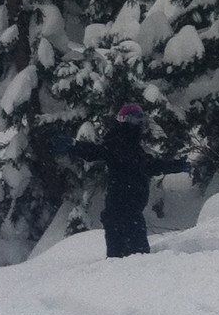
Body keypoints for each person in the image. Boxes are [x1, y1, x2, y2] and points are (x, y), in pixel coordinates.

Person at [57, 104, 190, 258]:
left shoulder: (134, 147)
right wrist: (74, 146)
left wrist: (176, 165)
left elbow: (150, 165)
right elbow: (94, 151)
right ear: (124, 121)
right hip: (121, 213)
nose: (139, 124)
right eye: (135, 119)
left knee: (136, 259)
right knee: (130, 260)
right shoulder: (117, 143)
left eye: (141, 119)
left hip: (130, 212)